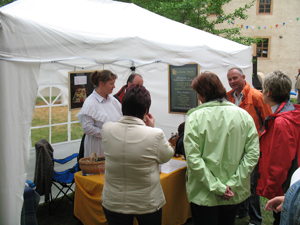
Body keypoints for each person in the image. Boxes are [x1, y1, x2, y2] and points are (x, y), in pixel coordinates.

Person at [184, 71, 260, 225]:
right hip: (233, 193)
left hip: (203, 193)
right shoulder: (244, 116)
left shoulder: (195, 118)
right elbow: (252, 154)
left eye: (198, 93)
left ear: (203, 94)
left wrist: (217, 187)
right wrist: (232, 184)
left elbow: (193, 158)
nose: (198, 98)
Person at [101, 84, 174, 225]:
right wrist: (151, 128)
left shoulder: (107, 129)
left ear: (123, 107)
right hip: (147, 202)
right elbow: (167, 156)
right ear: (146, 110)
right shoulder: (154, 134)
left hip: (113, 201)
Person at [227, 67, 272, 225]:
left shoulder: (256, 96)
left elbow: (268, 121)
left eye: (235, 78)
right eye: (230, 79)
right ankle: (243, 210)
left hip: (253, 148)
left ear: (243, 77)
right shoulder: (228, 97)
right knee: (239, 179)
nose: (232, 82)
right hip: (236, 148)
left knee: (252, 184)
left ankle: (255, 219)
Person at [256, 70, 300, 225]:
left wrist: (269, 190)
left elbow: (280, 163)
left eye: (262, 88)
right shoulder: (290, 113)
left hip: (284, 188)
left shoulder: (282, 122)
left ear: (268, 91)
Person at [76, 70, 122, 158]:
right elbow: (87, 127)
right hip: (97, 147)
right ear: (101, 84)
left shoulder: (113, 100)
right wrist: (106, 134)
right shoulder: (90, 103)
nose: (114, 86)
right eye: (111, 84)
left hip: (113, 145)